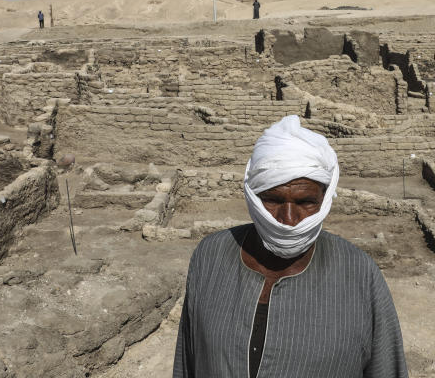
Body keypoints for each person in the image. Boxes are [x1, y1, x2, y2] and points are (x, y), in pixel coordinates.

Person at [173, 115, 407, 378]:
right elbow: (187, 361)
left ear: (325, 198)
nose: (288, 220)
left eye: (305, 202)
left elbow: (387, 369)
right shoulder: (211, 257)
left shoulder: (360, 274)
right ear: (252, 196)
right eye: (272, 200)